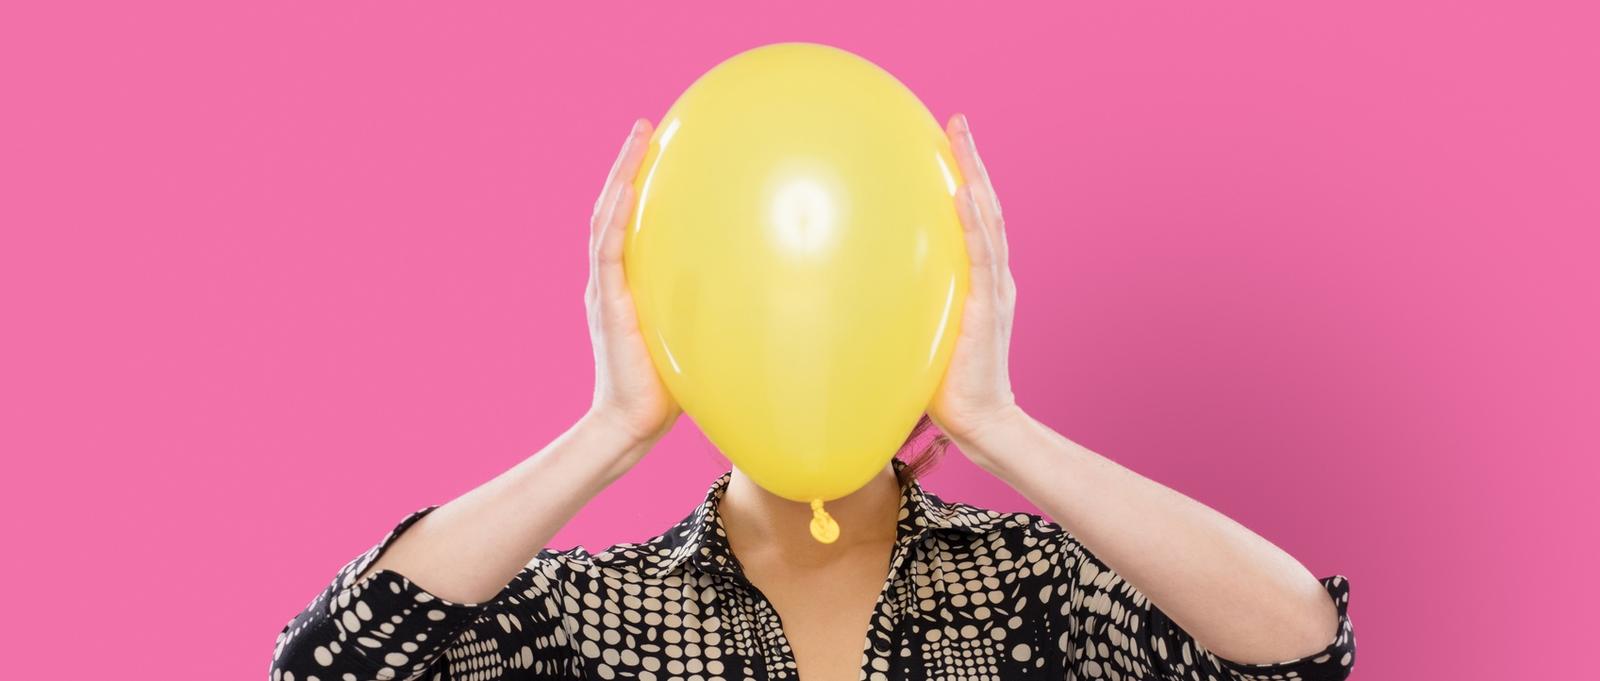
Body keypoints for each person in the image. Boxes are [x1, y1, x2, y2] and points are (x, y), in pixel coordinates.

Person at [268, 115, 1355, 681]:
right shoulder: (588, 614)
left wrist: (999, 426)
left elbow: (1297, 651)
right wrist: (610, 431)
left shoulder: (1038, 589)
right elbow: (328, 671)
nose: (810, 337)